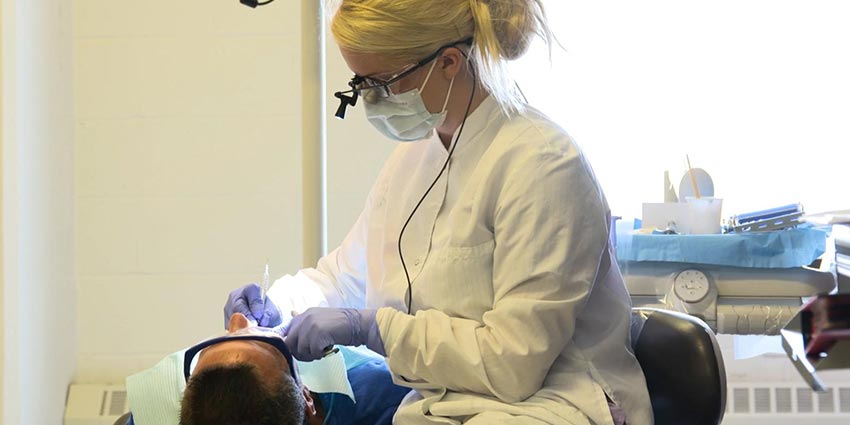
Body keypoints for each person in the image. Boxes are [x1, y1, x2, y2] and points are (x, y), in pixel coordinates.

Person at [227, 0, 652, 423]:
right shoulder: (412, 161)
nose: (370, 100)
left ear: (448, 62)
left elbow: (513, 364)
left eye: (379, 83)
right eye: (360, 84)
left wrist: (372, 328)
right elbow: (345, 277)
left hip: (556, 404)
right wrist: (279, 304)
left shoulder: (542, 163)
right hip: (448, 404)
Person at [125, 312, 409, 425]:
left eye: (221, 339)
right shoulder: (385, 401)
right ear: (306, 395)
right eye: (266, 342)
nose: (237, 319)